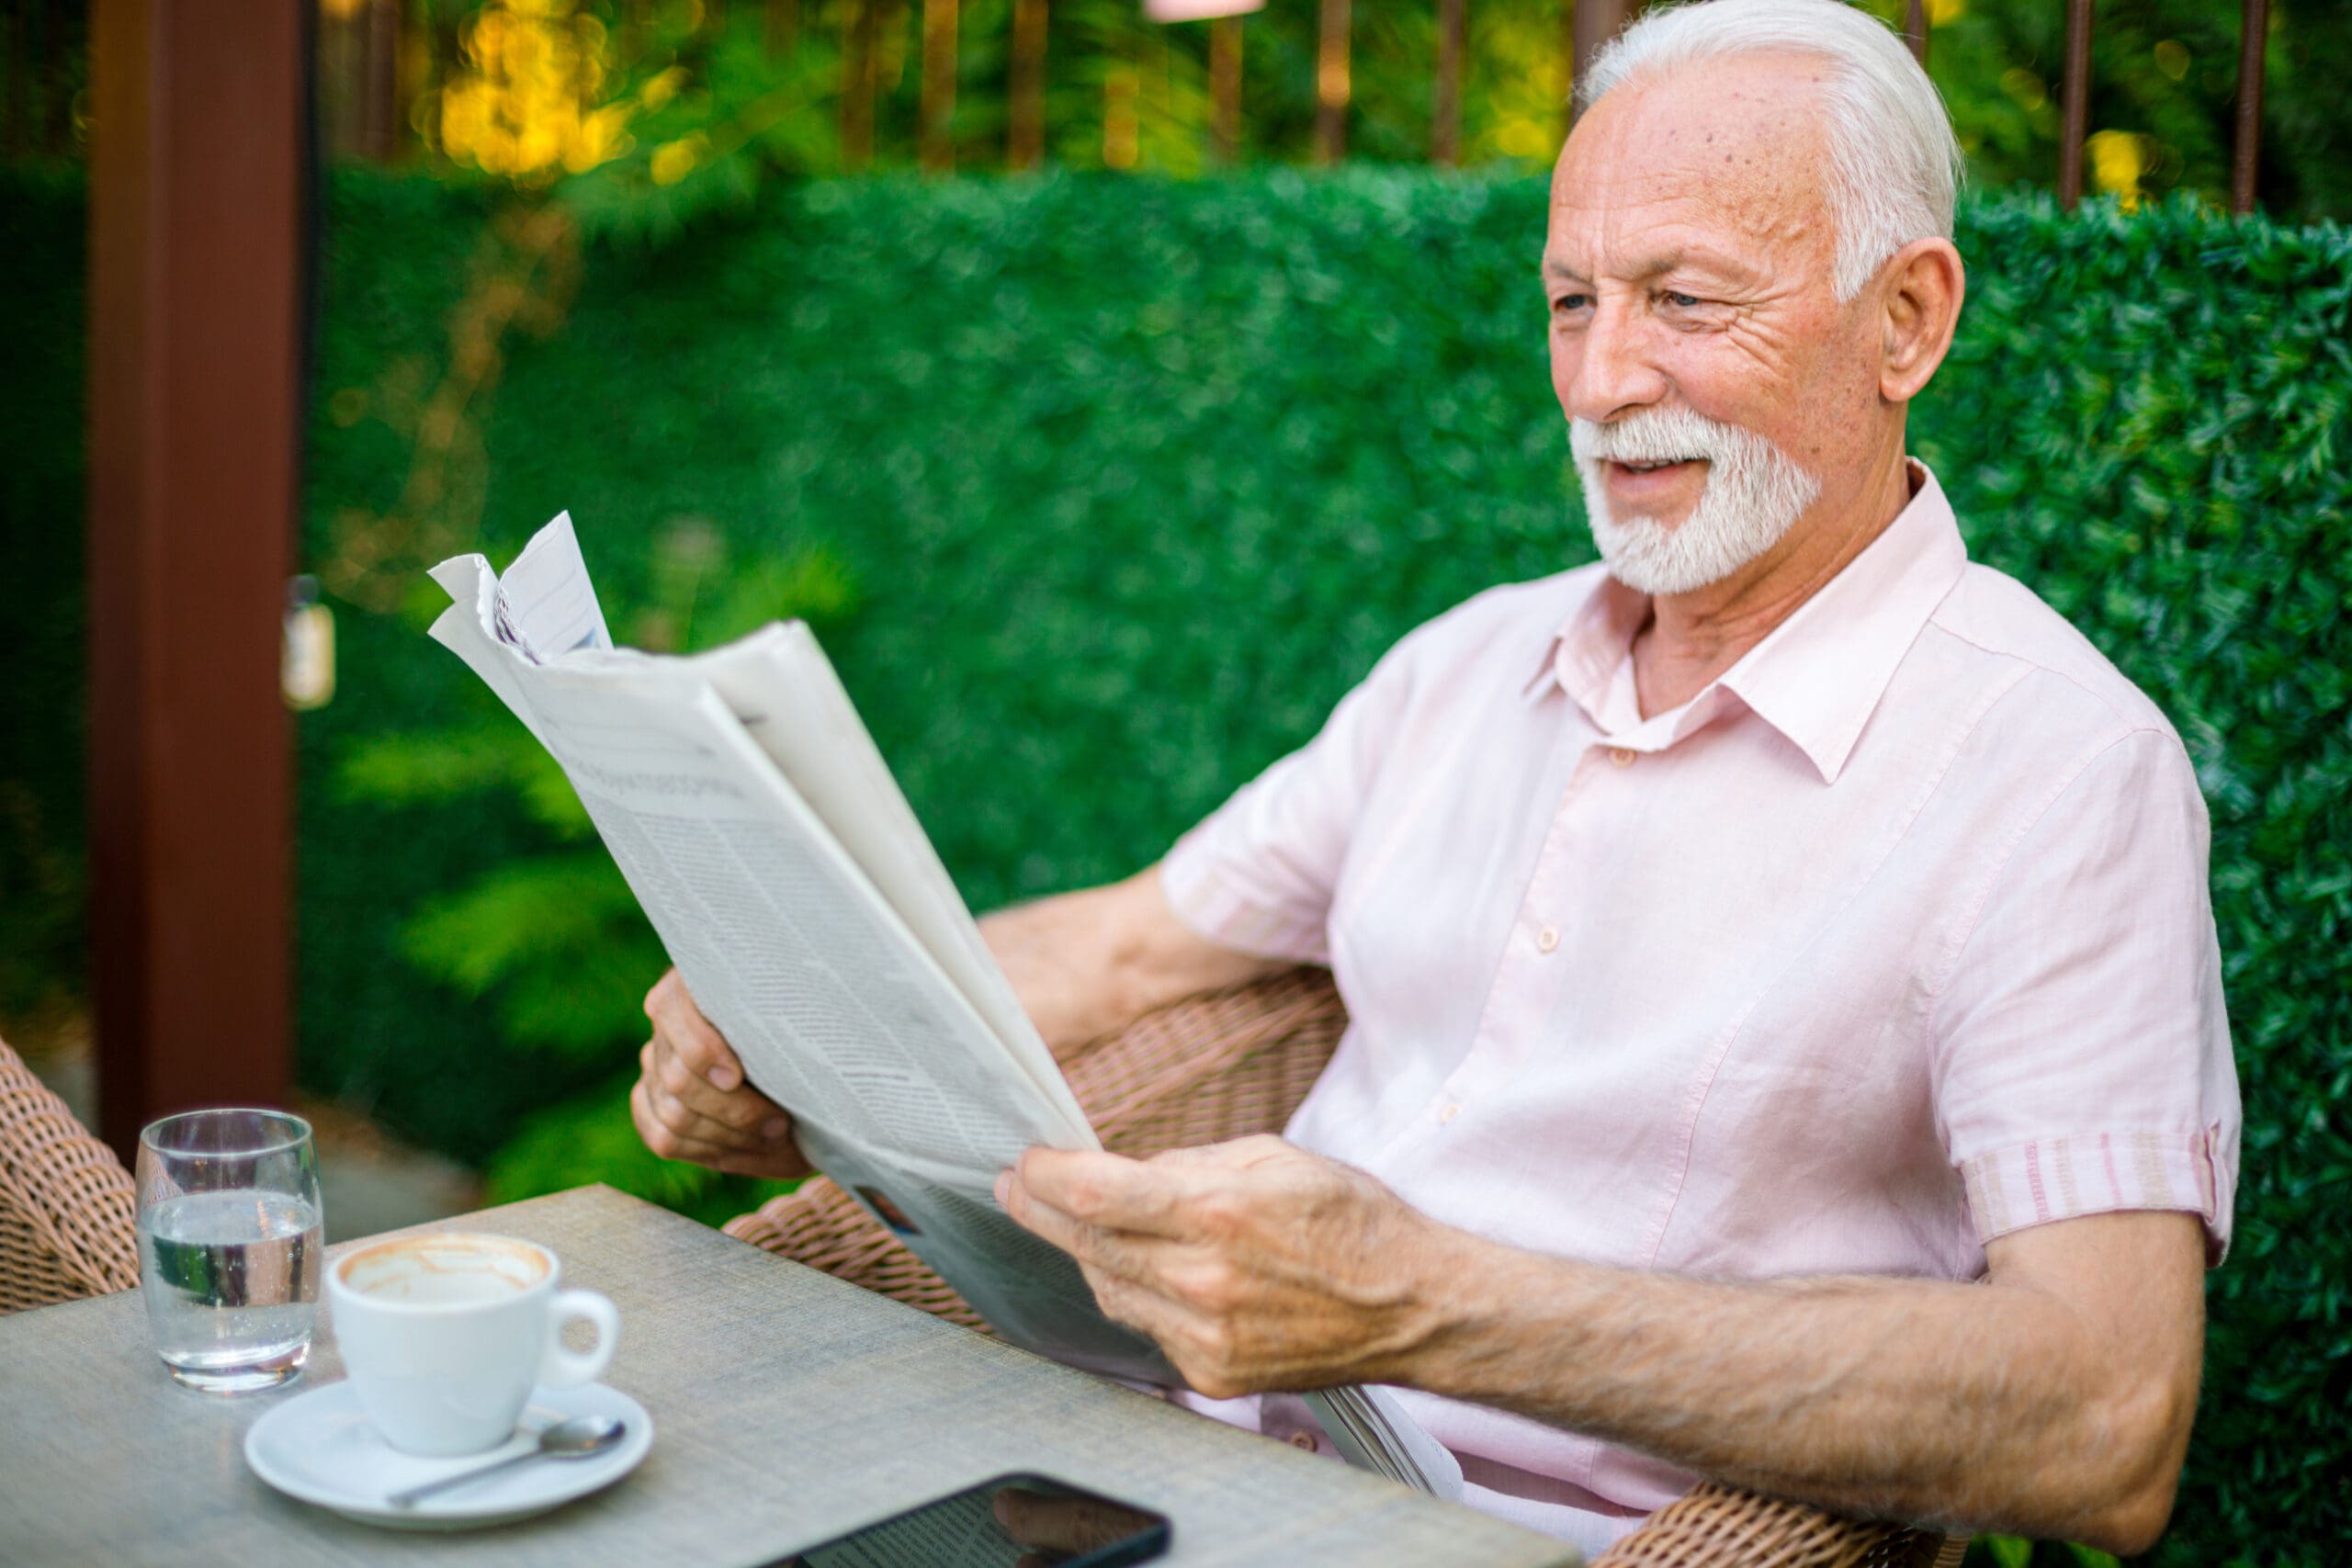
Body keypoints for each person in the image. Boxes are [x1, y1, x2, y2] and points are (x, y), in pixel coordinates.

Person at [629, 0, 2240, 1552]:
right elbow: (1122, 947)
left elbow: (2107, 1413)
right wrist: (797, 1038)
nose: (1604, 382)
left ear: (1908, 320)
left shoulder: (2060, 772)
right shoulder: (1470, 667)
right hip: (1125, 1468)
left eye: (1686, 301)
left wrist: (1421, 1301)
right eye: (1571, 301)